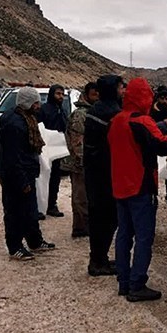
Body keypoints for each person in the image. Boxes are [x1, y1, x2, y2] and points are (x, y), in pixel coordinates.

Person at [108, 78, 167, 301]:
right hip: (141, 186)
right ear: (145, 98)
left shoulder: (116, 120)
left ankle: (124, 282)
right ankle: (137, 285)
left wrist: (162, 127)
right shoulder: (142, 121)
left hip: (120, 185)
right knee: (144, 237)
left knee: (124, 235)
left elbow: (136, 139)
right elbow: (164, 146)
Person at [0, 86, 56, 260]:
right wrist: (22, 182)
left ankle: (34, 241)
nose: (39, 106)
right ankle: (14, 247)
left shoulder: (26, 118)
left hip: (26, 172)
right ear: (28, 103)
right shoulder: (15, 124)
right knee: (15, 212)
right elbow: (12, 157)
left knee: (30, 210)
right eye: (36, 102)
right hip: (15, 176)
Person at [83, 74, 126, 276]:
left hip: (94, 173)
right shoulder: (112, 114)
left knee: (98, 218)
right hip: (105, 175)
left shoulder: (95, 109)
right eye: (120, 87)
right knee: (107, 219)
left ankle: (98, 258)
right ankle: (98, 262)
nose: (123, 91)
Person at [63, 82, 98, 239]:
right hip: (80, 163)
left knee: (85, 196)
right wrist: (84, 161)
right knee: (80, 197)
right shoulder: (80, 114)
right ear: (86, 95)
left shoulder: (92, 112)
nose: (97, 97)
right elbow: (77, 141)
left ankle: (82, 226)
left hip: (86, 162)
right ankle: (81, 227)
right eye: (93, 94)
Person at [37, 84, 67, 218]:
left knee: (55, 178)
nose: (60, 97)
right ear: (52, 94)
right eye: (58, 94)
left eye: (62, 94)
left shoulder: (62, 110)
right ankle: (39, 207)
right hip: (45, 149)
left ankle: (51, 205)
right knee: (42, 178)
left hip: (57, 151)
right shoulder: (44, 110)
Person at [149, 85, 167, 205]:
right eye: (162, 98)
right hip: (155, 144)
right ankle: (154, 193)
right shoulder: (151, 112)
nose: (165, 101)